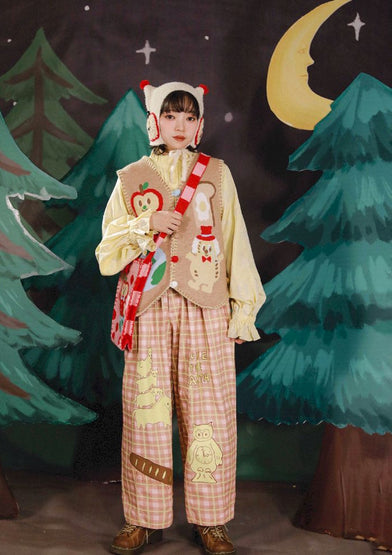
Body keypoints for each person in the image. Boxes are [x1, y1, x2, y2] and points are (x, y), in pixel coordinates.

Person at [95, 80, 265, 555]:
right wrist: (145, 223)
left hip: (205, 306)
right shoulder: (131, 177)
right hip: (148, 308)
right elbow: (107, 252)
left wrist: (242, 307)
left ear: (200, 124)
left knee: (209, 414)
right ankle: (143, 519)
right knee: (146, 414)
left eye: (189, 116)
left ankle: (211, 520)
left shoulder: (217, 174)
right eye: (170, 115)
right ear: (154, 121)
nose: (180, 125)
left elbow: (235, 241)